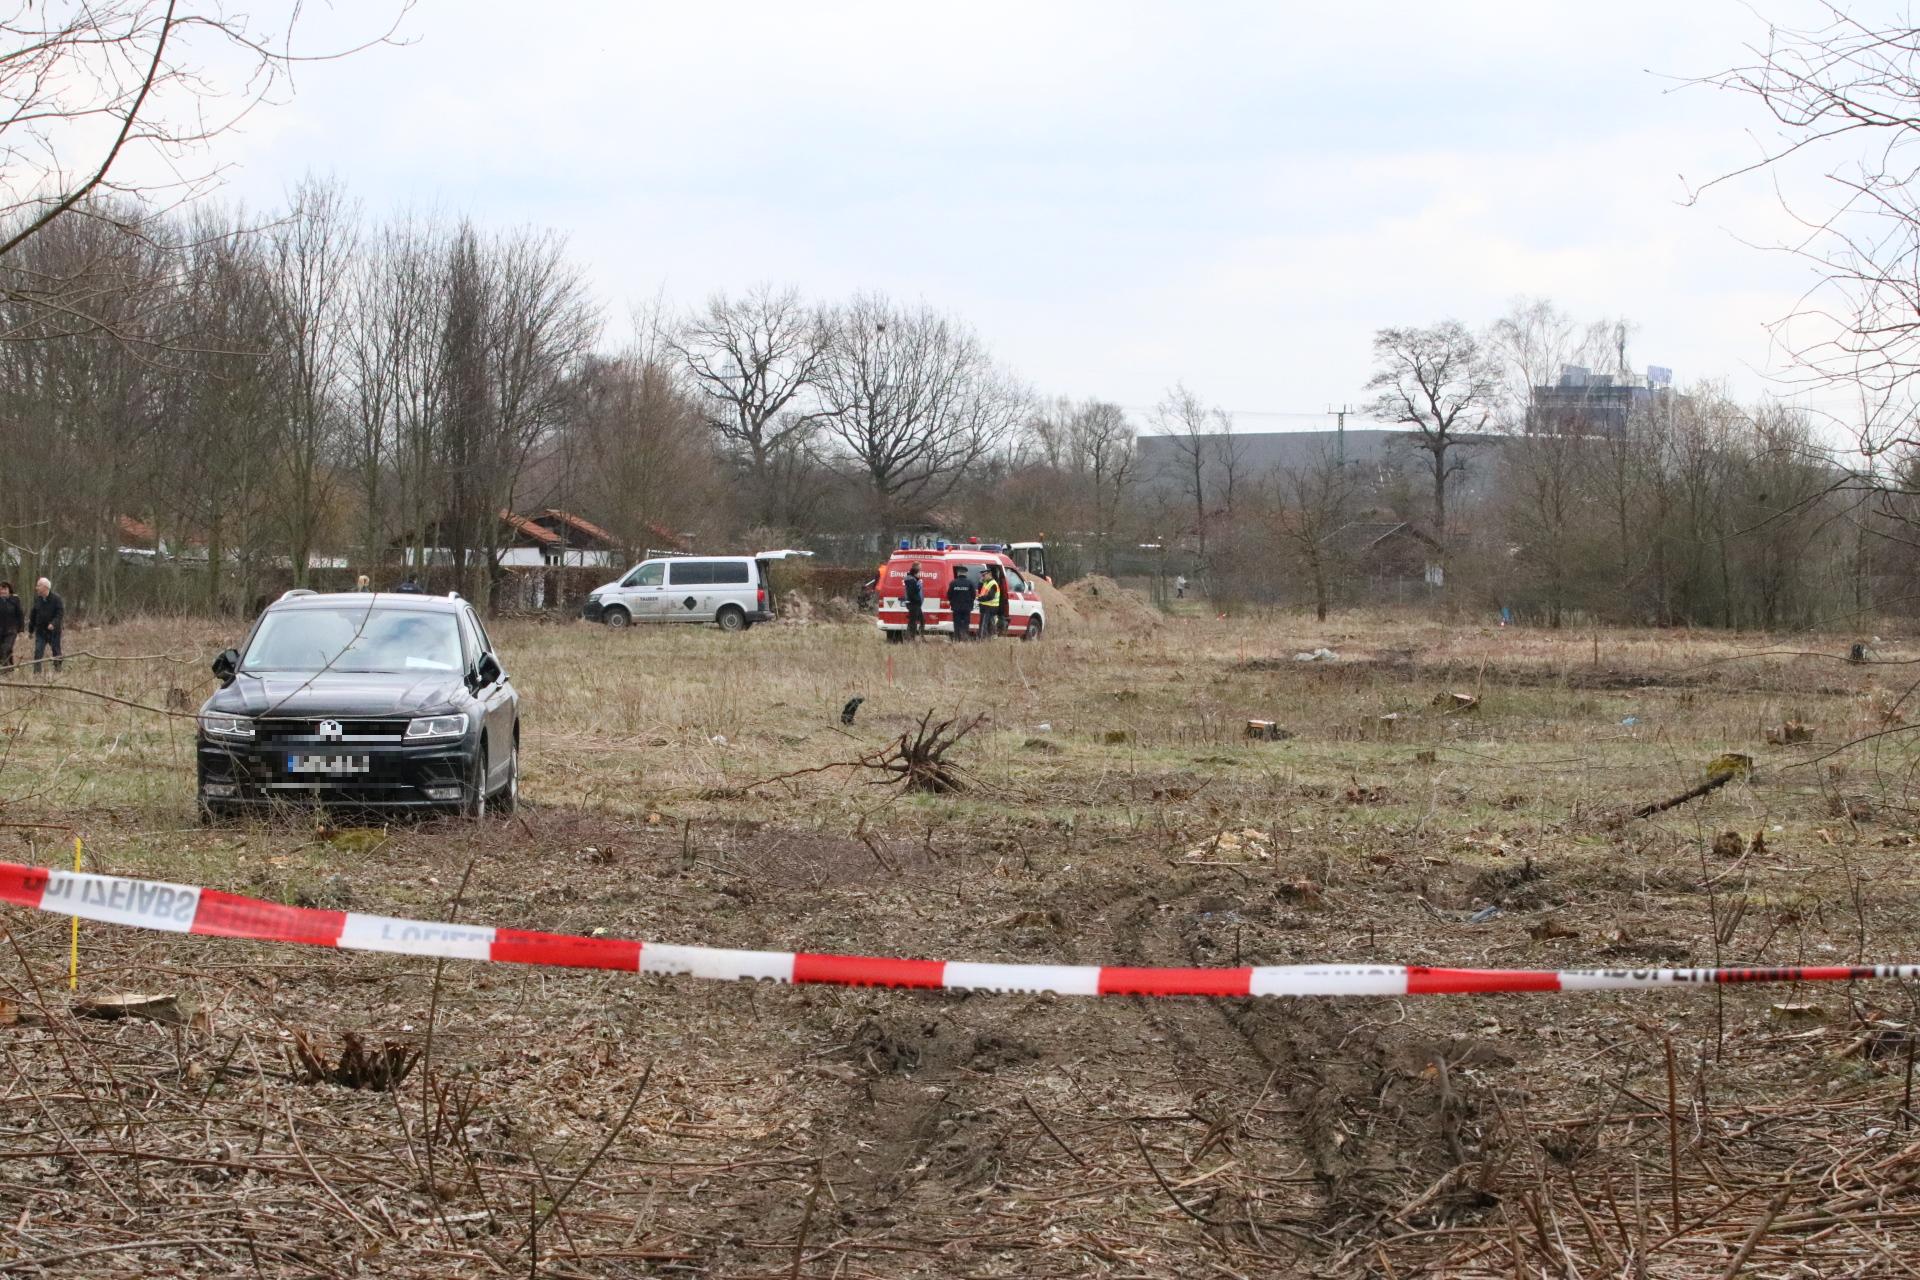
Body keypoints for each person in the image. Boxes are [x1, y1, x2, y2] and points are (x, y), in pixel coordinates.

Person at [28, 577, 62, 674]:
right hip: (40, 631)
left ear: (45, 587)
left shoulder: (56, 599)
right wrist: (31, 630)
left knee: (56, 651)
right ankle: (37, 673)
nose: (36, 588)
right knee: (38, 651)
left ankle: (58, 670)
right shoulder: (37, 599)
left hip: (53, 632)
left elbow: (59, 614)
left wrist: (53, 623)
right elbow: (33, 615)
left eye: (38, 586)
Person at [946, 566, 976, 641]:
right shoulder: (970, 583)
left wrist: (953, 601)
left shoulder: (953, 583)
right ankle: (964, 638)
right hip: (967, 608)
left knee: (957, 624)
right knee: (966, 624)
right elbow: (973, 595)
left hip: (956, 608)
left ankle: (957, 639)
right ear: (966, 573)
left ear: (958, 573)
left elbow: (949, 595)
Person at [975, 567, 1003, 639]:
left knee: (984, 624)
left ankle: (982, 639)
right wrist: (980, 582)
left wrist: (980, 599)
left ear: (989, 574)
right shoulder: (986, 583)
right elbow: (980, 590)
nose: (982, 577)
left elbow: (990, 596)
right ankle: (990, 638)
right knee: (989, 624)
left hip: (989, 607)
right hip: (986, 607)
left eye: (984, 575)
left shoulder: (993, 584)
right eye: (982, 575)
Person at [0, 582, 21, 668]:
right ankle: (11, 668)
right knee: (5, 651)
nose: (2, 591)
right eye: (1, 589)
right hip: (1, 631)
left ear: (9, 590)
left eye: (5, 589)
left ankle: (5, 669)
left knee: (5, 648)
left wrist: (20, 630)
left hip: (11, 630)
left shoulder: (15, 600)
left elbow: (20, 614)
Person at [902, 562, 925, 639]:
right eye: (920, 567)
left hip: (916, 603)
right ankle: (910, 638)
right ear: (916, 568)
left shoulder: (913, 578)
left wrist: (917, 579)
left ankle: (919, 637)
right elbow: (912, 592)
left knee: (921, 620)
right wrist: (918, 585)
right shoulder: (910, 579)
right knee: (913, 621)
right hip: (913, 603)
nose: (921, 568)